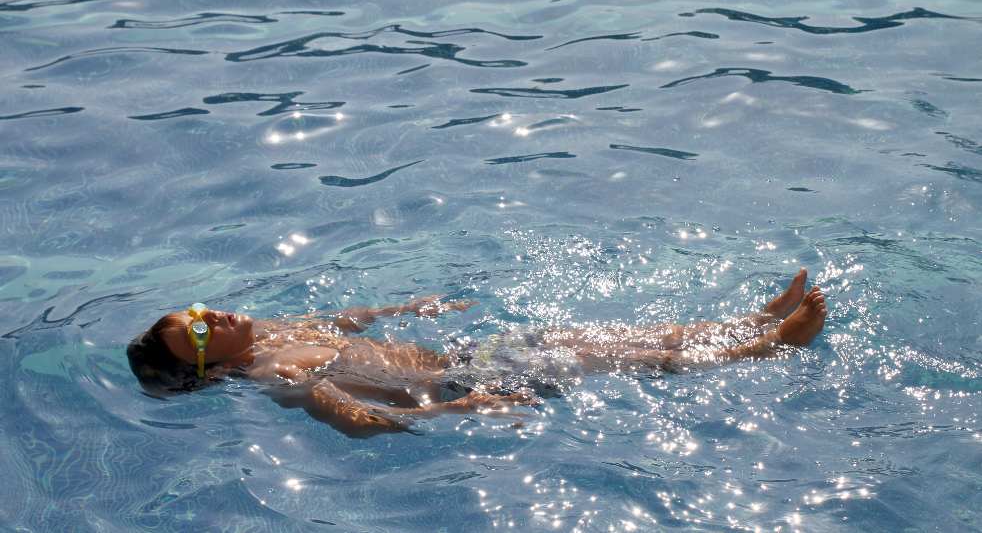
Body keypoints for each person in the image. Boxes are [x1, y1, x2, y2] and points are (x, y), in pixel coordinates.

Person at [127, 269, 826, 436]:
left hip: (465, 352)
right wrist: (456, 408)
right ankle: (762, 350)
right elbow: (341, 410)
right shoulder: (270, 369)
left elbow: (342, 316)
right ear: (207, 367)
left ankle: (744, 320)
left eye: (190, 311)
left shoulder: (273, 328)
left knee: (605, 334)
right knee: (618, 357)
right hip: (466, 378)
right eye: (193, 330)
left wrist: (406, 309)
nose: (204, 315)